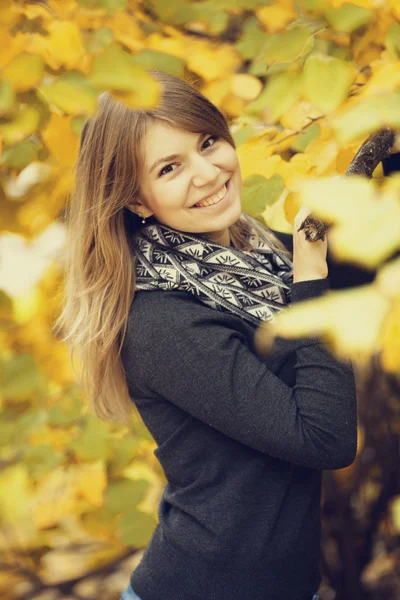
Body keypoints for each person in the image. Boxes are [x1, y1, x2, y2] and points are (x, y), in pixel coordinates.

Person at [57, 70, 375, 600]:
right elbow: (324, 438)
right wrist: (311, 275)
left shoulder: (260, 254)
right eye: (170, 167)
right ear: (137, 200)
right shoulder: (162, 320)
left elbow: (376, 268)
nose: (207, 172)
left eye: (208, 142)